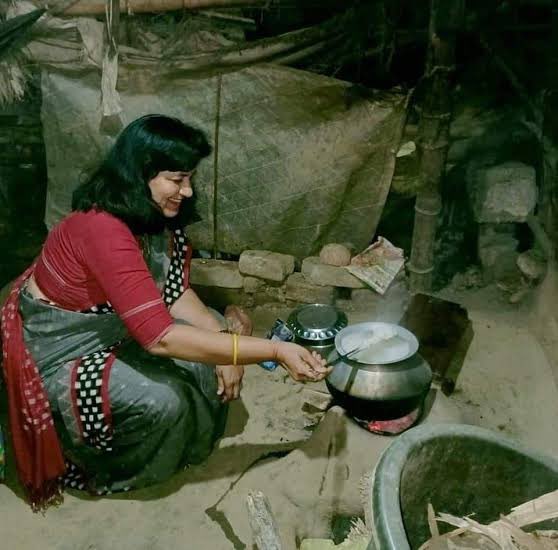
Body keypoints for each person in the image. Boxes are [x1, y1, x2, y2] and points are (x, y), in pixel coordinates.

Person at [0, 114, 329, 510]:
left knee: (205, 351)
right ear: (141, 174)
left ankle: (183, 446)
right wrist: (272, 351)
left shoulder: (150, 216)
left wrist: (227, 340)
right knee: (162, 401)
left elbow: (173, 292)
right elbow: (161, 338)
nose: (187, 191)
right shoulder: (102, 229)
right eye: (177, 179)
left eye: (189, 178)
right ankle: (106, 469)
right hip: (61, 353)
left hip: (115, 328)